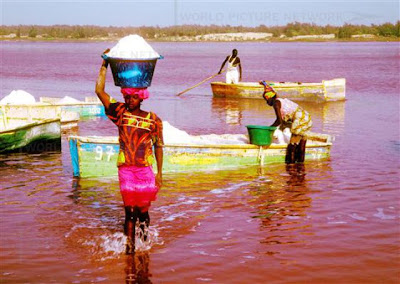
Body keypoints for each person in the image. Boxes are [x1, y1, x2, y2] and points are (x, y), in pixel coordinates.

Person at [95, 50, 164, 254]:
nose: (130, 100)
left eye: (134, 97)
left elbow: (159, 146)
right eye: (127, 97)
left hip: (145, 171)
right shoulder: (120, 113)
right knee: (130, 213)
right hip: (126, 169)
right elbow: (100, 91)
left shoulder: (153, 119)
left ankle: (144, 245)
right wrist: (105, 63)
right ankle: (130, 252)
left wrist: (160, 173)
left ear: (141, 98)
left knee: (143, 212)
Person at [260, 80, 312, 164]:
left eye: (266, 100)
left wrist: (268, 129)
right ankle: (300, 166)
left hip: (300, 119)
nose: (266, 103)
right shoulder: (281, 101)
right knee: (301, 143)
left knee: (292, 145)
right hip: (306, 117)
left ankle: (291, 166)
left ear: (269, 98)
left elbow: (279, 121)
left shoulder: (276, 104)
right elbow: (284, 121)